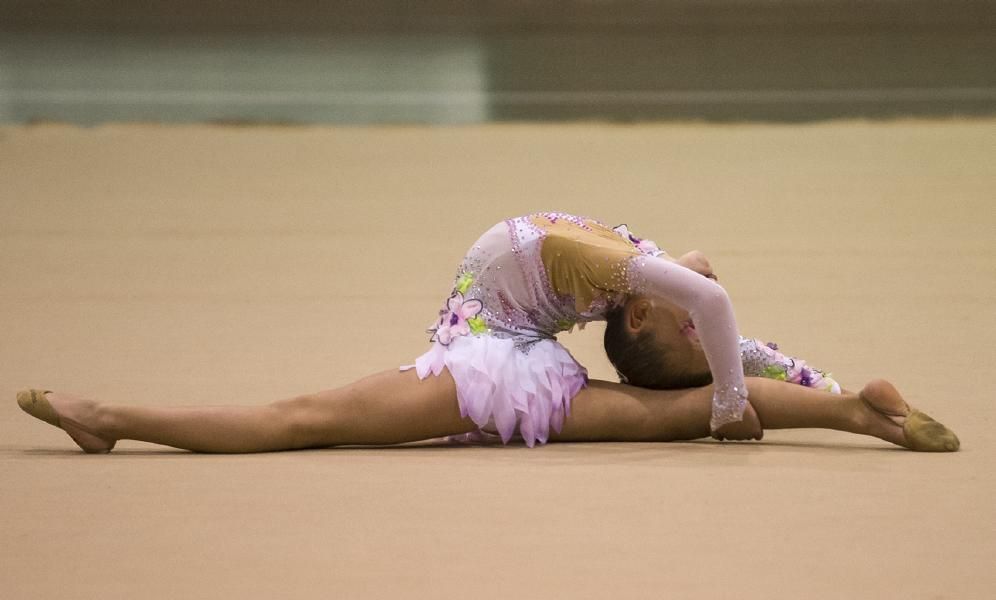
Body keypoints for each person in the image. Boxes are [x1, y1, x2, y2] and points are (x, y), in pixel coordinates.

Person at [16, 212, 959, 454]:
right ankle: (848, 417)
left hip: (501, 363)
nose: (707, 313)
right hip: (492, 358)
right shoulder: (625, 271)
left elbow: (740, 344)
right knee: (651, 416)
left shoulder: (637, 271)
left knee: (300, 419)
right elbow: (720, 328)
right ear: (639, 312)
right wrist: (725, 400)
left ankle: (110, 414)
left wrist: (788, 385)